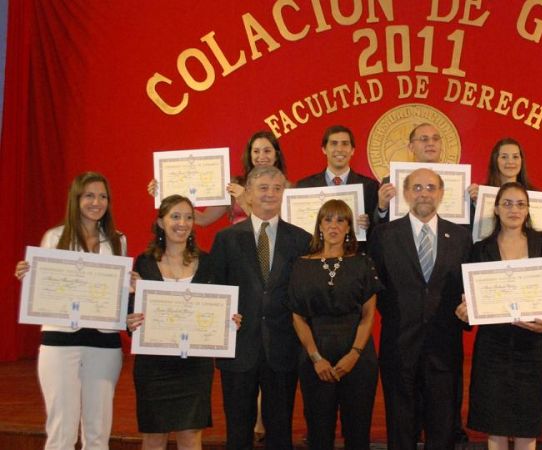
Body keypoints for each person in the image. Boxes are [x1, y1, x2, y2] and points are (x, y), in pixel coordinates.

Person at [14, 172, 127, 450]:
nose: (96, 202)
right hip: (59, 341)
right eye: (88, 195)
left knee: (98, 432)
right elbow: (44, 288)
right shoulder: (53, 237)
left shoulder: (117, 240)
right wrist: (29, 275)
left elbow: (117, 291)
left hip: (104, 343)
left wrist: (130, 282)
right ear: (76, 199)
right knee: (61, 430)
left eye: (102, 196)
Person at [125, 195, 241, 450]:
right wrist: (130, 320)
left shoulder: (209, 262)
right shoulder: (143, 262)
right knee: (154, 437)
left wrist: (230, 319)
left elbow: (220, 308)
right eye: (175, 216)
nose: (183, 223)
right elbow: (131, 314)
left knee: (191, 437)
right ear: (160, 222)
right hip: (153, 367)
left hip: (195, 367)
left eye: (188, 217)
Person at [368, 168, 472, 449]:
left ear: (440, 194)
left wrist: (470, 308)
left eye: (430, 187)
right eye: (416, 187)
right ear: (405, 193)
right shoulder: (383, 235)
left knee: (442, 430)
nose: (423, 193)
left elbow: (468, 288)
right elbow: (374, 289)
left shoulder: (460, 237)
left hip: (444, 348)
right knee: (401, 430)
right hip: (399, 346)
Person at [209, 165, 311, 450]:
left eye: (277, 189)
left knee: (280, 432)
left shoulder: (301, 239)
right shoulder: (226, 239)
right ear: (249, 194)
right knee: (238, 432)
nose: (270, 194)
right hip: (239, 349)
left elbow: (304, 295)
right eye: (263, 188)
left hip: (283, 348)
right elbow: (215, 289)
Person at [455, 182, 542, 450]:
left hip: (531, 348)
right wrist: (465, 312)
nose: (514, 209)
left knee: (527, 428)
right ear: (497, 209)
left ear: (528, 210)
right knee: (495, 429)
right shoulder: (480, 249)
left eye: (520, 204)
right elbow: (469, 297)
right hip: (493, 349)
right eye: (507, 204)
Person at [288, 199, 382, 450]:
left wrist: (355, 354)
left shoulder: (363, 263)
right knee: (319, 432)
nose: (334, 226)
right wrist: (316, 357)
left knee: (358, 431)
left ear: (349, 227)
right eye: (328, 219)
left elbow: (368, 316)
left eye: (341, 220)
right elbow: (297, 317)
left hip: (358, 357)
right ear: (319, 225)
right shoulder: (301, 265)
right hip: (316, 358)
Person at [147, 130, 288, 226]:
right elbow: (203, 219)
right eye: (256, 151)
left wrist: (244, 201)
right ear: (250, 155)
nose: (261, 156)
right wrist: (165, 194)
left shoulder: (287, 189)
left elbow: (273, 226)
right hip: (240, 254)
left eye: (267, 151)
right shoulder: (234, 185)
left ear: (276, 155)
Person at [295, 125, 379, 235]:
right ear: (324, 149)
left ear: (352, 150)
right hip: (315, 250)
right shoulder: (305, 186)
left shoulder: (370, 187)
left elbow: (378, 228)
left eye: (345, 144)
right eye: (334, 143)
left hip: (355, 250)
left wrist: (369, 225)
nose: (339, 149)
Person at [467, 137, 535, 202]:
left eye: (515, 156)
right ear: (495, 160)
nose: (510, 162)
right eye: (504, 157)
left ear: (521, 161)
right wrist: (476, 203)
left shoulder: (535, 195)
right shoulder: (481, 194)